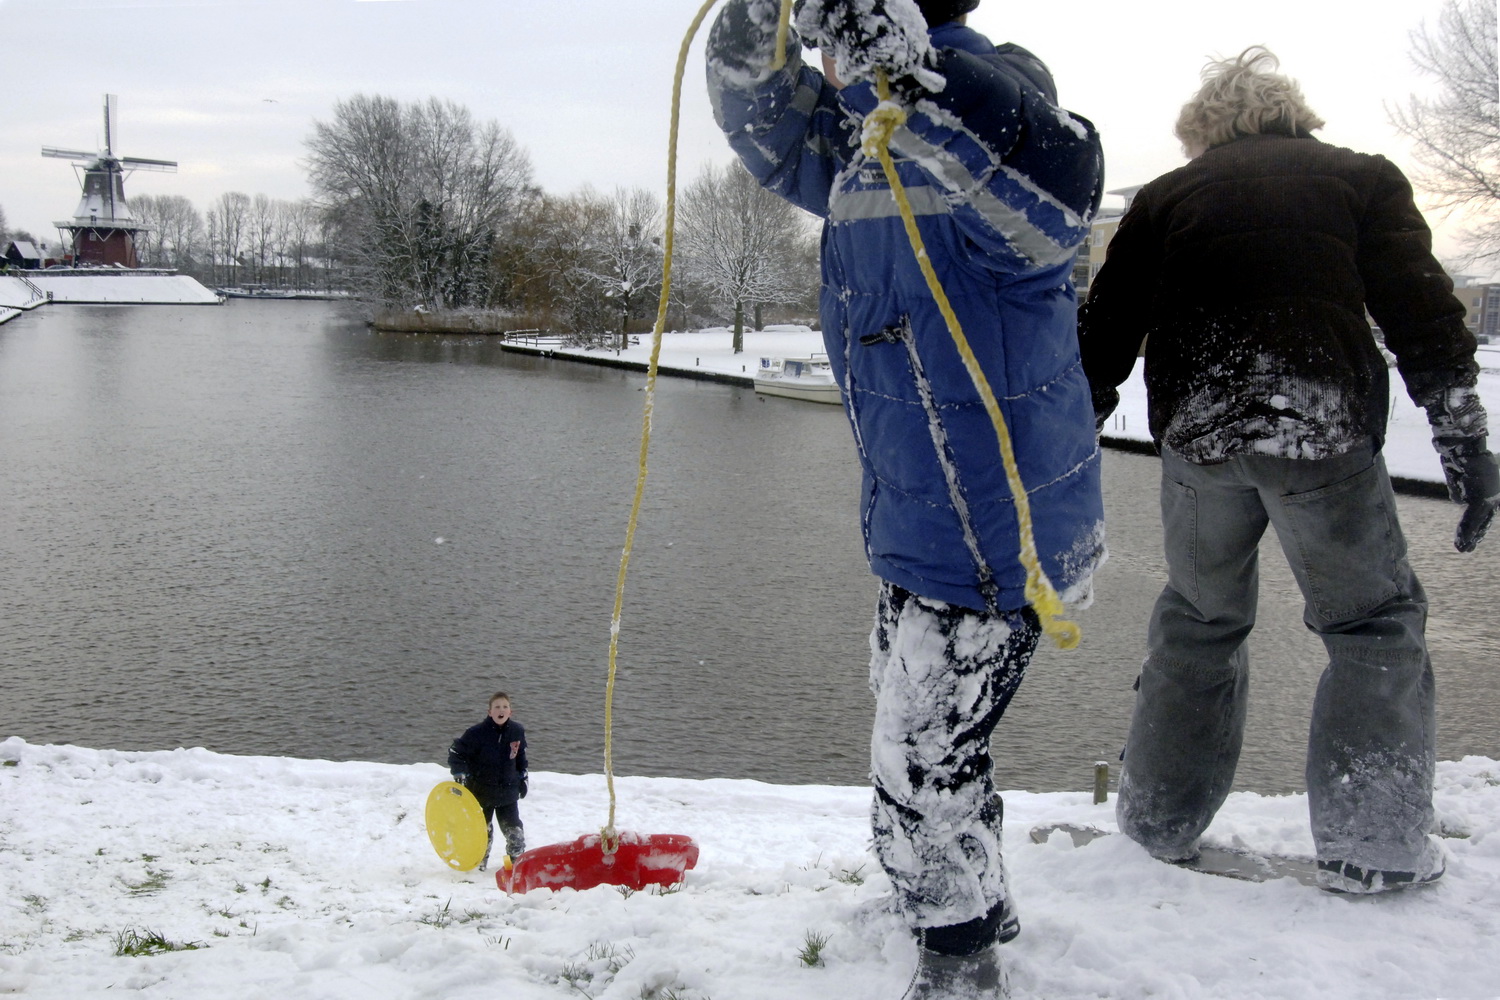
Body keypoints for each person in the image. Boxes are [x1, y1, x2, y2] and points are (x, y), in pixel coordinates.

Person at [707, 0, 1105, 993]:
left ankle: (959, 961)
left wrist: (916, 71)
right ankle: (971, 903)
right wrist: (761, 13)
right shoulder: (860, 145)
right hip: (916, 527)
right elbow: (759, 111)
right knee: (921, 736)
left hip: (1000, 537)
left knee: (920, 751)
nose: (828, 59)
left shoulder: (997, 140)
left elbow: (1063, 177)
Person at [1077, 47, 1500, 895]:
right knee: (1372, 624)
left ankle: (1157, 824)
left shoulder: (1163, 198)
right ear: (1294, 113)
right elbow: (1422, 312)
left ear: (1202, 132)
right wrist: (1462, 441)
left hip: (1199, 438)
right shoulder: (1360, 179)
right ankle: (1371, 847)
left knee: (1198, 619)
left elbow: (1104, 334)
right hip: (1321, 428)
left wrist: (1063, 450)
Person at [448, 691, 528, 872]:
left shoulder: (517, 731)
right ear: (489, 712)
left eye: (505, 707)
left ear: (511, 712)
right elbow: (456, 753)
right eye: (497, 707)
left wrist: (523, 776)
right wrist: (460, 774)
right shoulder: (476, 733)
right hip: (481, 792)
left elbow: (520, 756)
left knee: (515, 833)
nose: (501, 710)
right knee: (483, 832)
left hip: (508, 792)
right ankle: (479, 865)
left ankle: (513, 867)